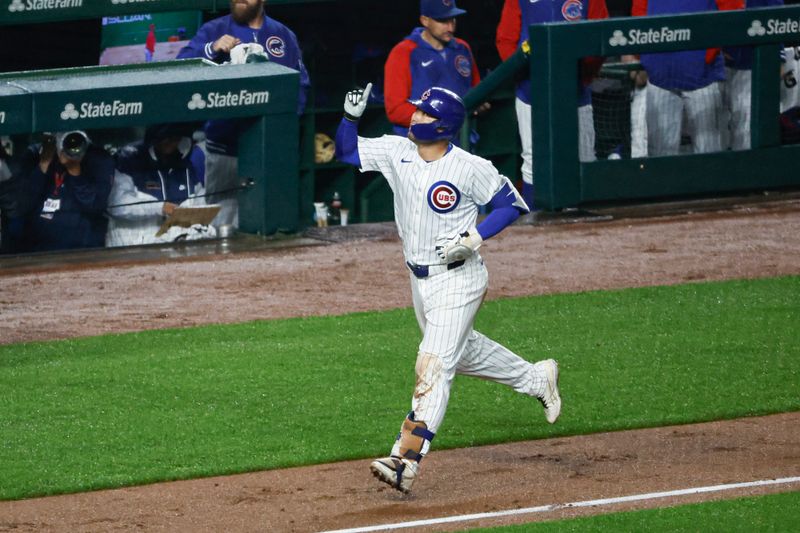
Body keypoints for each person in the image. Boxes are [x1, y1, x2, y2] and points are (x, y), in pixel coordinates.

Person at [334, 84, 562, 494]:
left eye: (422, 114)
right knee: (460, 351)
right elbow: (347, 152)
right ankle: (535, 378)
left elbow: (512, 204)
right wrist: (349, 118)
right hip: (419, 280)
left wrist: (473, 239)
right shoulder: (396, 150)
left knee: (433, 365)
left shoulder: (469, 166)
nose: (413, 117)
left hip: (458, 278)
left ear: (442, 126)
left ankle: (405, 460)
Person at [177, 0, 311, 228]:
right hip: (224, 152)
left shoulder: (283, 35)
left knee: (269, 224)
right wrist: (210, 49)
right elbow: (180, 66)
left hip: (268, 153)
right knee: (221, 227)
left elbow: (300, 86)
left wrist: (281, 124)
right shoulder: (215, 30)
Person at [496, 0, 609, 210]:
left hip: (576, 90)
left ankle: (587, 222)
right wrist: (523, 75)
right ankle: (535, 217)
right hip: (531, 90)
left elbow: (600, 34)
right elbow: (506, 40)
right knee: (533, 161)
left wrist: (583, 74)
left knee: (584, 156)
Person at [631, 0, 744, 156]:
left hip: (703, 76)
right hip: (660, 72)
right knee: (660, 154)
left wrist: (709, 53)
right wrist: (645, 57)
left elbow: (732, 10)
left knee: (708, 152)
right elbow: (639, 12)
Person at [384, 0, 484, 138]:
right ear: (425, 20)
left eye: (453, 19)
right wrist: (439, 118)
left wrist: (479, 104)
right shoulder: (404, 52)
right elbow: (395, 110)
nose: (450, 27)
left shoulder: (462, 48)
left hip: (459, 141)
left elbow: (476, 90)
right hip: (418, 144)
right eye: (443, 21)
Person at [106, 123, 212, 247]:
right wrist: (160, 207)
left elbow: (199, 198)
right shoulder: (129, 159)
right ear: (155, 138)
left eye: (176, 138)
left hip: (174, 245)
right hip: (132, 245)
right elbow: (117, 205)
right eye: (167, 138)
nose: (171, 143)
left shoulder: (185, 165)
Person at [13, 131, 113, 252]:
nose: (70, 141)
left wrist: (74, 170)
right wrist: (43, 164)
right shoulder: (37, 153)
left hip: (81, 248)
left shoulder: (98, 158)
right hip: (39, 247)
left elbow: (95, 205)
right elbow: (21, 204)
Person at [721, 0, 784, 151]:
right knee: (715, 131)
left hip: (751, 64)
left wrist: (777, 59)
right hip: (715, 66)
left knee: (745, 129)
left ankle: (743, 172)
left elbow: (776, 19)